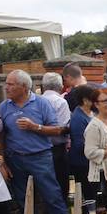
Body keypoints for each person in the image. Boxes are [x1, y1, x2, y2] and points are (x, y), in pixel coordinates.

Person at [0, 70, 70, 214]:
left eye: (10, 84)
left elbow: (57, 129)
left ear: (24, 87)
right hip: (15, 158)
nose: (6, 87)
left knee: (52, 195)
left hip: (40, 157)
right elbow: (0, 134)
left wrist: (35, 127)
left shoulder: (41, 103)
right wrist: (2, 159)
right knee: (23, 199)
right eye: (6, 83)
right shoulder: (4, 107)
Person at [41, 72, 72, 201]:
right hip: (57, 148)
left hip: (41, 148)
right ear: (61, 86)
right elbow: (63, 127)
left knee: (47, 186)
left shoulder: (38, 100)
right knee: (62, 185)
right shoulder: (60, 102)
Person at [68, 84, 99, 202]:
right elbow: (80, 144)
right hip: (82, 164)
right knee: (90, 195)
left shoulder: (91, 114)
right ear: (85, 100)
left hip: (93, 162)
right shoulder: (78, 118)